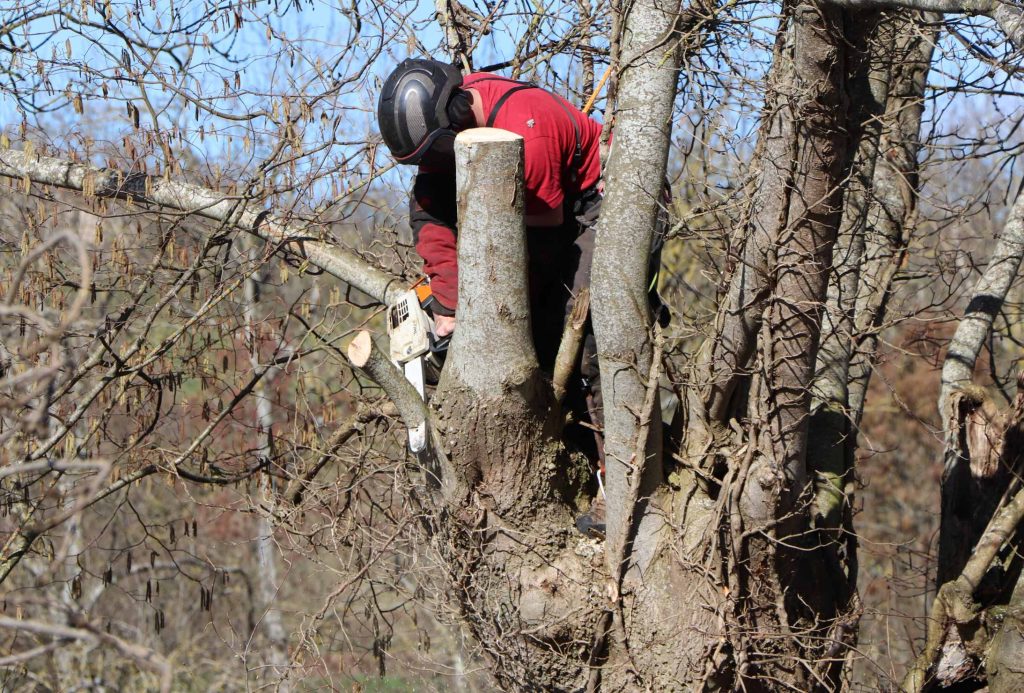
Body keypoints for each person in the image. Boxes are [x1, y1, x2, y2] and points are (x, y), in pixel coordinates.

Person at [377, 58, 666, 535]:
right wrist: (449, 310)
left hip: (604, 206)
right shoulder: (451, 129)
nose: (431, 167)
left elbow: (538, 230)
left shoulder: (525, 125)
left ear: (457, 116)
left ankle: (625, 486)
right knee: (539, 336)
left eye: (435, 154)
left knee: (588, 332)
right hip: (547, 217)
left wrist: (490, 306)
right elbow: (430, 214)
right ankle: (573, 457)